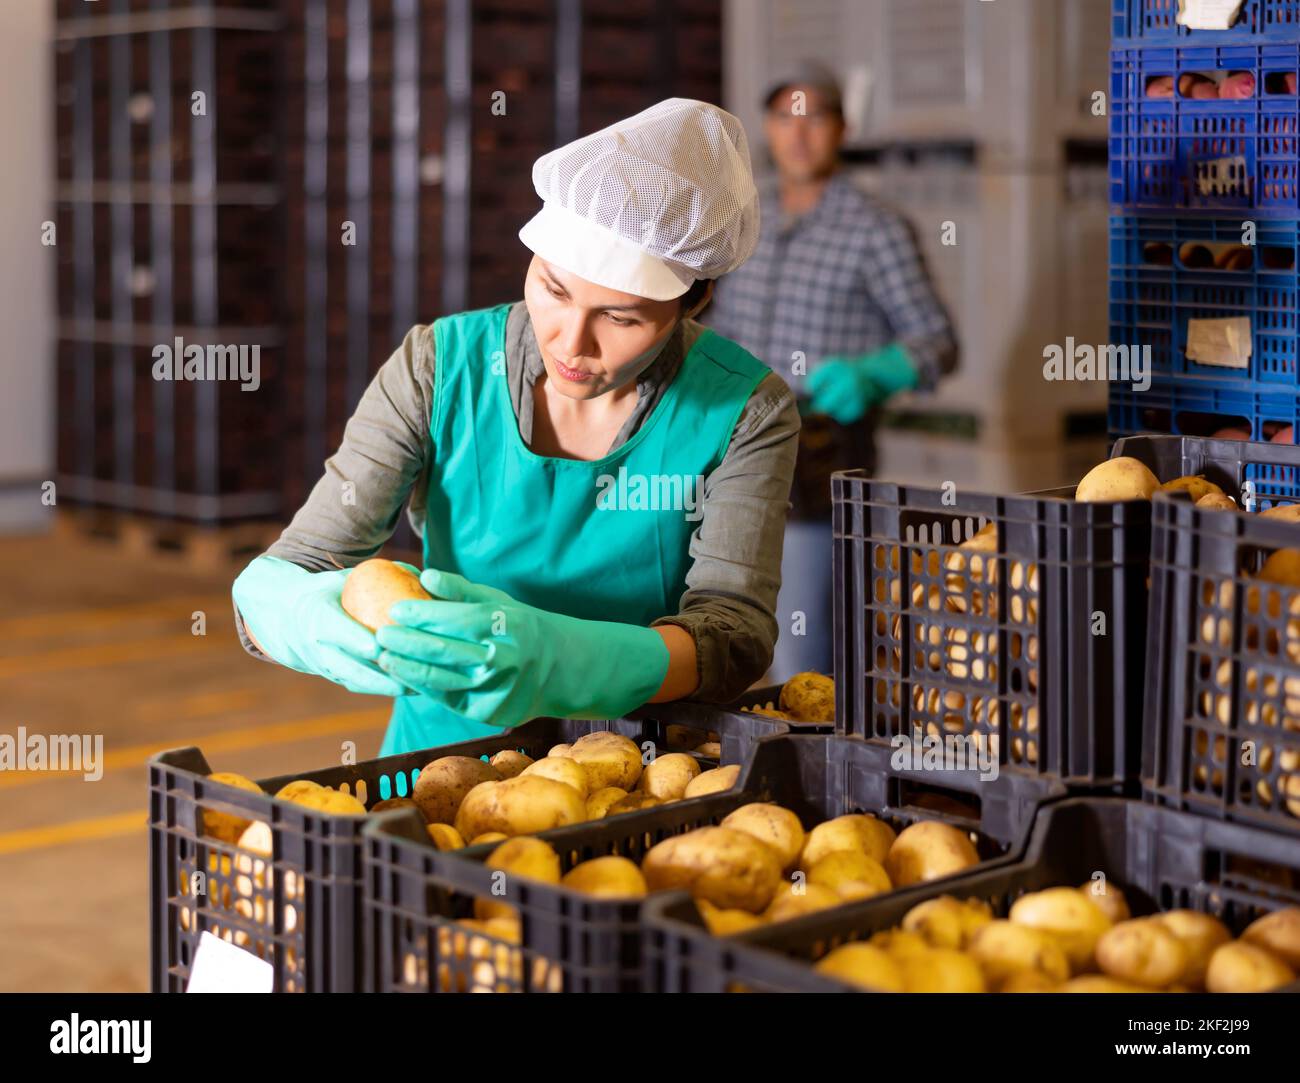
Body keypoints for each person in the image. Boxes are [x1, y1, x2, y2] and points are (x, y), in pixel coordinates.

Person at [230, 99, 800, 755]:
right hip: (439, 757)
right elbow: (299, 566)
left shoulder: (744, 407)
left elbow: (733, 635)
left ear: (691, 301)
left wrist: (565, 660)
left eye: (620, 318)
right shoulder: (440, 367)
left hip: (633, 770)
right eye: (553, 290)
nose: (570, 342)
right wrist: (295, 615)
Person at [703, 62, 958, 681]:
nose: (799, 133)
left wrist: (879, 371)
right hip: (732, 445)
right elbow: (718, 326)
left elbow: (937, 340)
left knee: (802, 644)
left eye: (815, 115)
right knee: (719, 616)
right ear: (766, 126)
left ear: (842, 128)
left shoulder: (875, 229)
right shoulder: (744, 219)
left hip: (822, 450)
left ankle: (814, 765)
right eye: (785, 116)